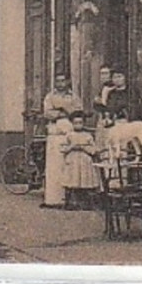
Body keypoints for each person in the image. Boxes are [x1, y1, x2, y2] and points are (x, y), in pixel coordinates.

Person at [40, 72, 81, 208]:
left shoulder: (73, 97)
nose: (60, 84)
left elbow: (77, 112)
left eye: (63, 81)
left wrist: (63, 111)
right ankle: (53, 199)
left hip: (69, 134)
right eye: (58, 81)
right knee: (53, 168)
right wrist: (62, 113)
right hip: (55, 135)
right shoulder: (50, 97)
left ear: (67, 82)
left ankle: (68, 199)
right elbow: (47, 113)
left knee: (69, 166)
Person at [59, 109, 102, 206]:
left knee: (85, 179)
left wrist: (84, 148)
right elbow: (62, 148)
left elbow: (94, 148)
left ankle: (86, 202)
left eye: (80, 122)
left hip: (84, 159)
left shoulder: (87, 135)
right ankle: (70, 202)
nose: (78, 125)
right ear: (72, 123)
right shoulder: (69, 135)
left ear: (84, 123)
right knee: (72, 179)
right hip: (73, 159)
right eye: (75, 123)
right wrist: (71, 147)